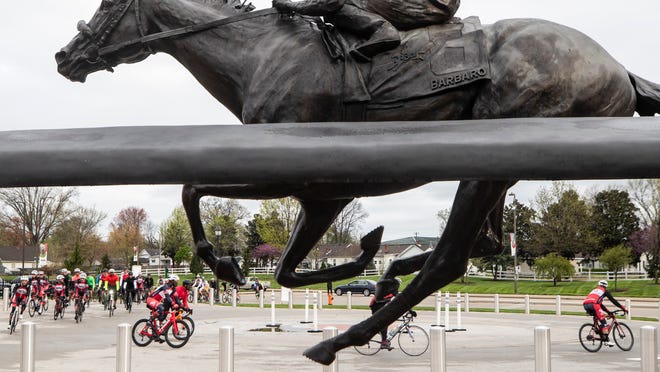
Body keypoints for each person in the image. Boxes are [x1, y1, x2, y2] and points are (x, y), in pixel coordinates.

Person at [272, 0, 460, 61]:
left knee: (339, 7)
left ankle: (381, 29)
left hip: (431, 3)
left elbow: (331, 3)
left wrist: (292, 5)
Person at [369, 278, 401, 349]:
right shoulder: (390, 289)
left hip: (378, 305)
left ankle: (379, 332)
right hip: (376, 306)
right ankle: (383, 342)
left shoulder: (391, 290)